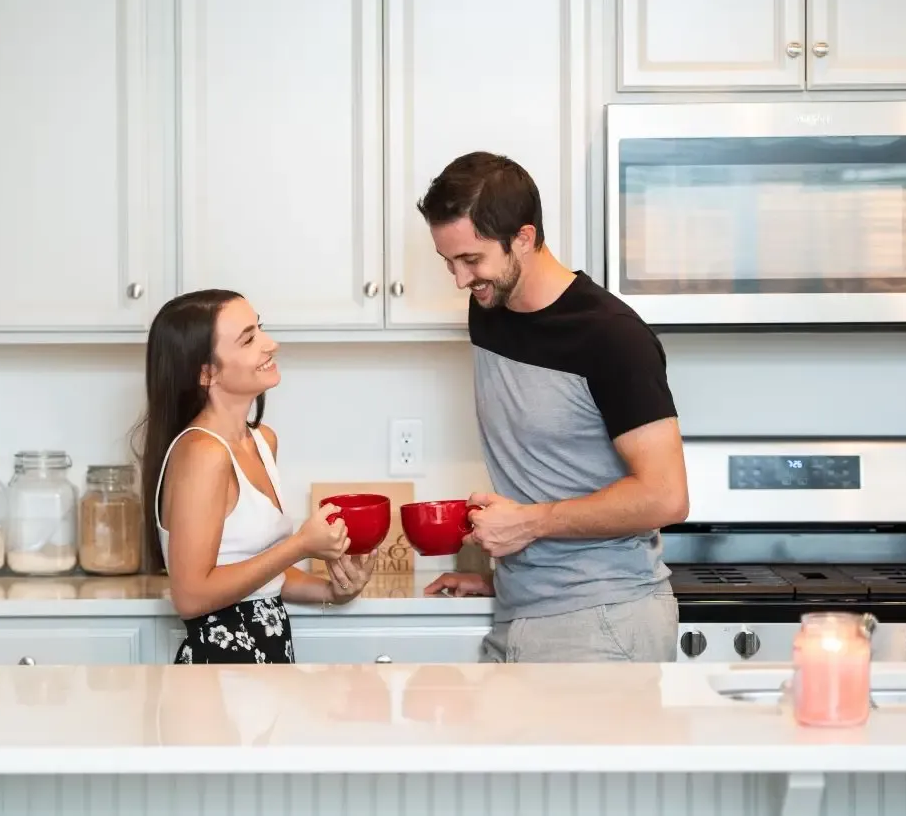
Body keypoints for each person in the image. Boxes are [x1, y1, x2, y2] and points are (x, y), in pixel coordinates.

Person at [417, 152, 689, 663]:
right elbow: (551, 473)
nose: (459, 280)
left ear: (523, 238)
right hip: (524, 608)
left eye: (471, 259)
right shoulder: (490, 309)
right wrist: (499, 579)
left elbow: (666, 496)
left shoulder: (611, 337)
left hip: (605, 621)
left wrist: (530, 523)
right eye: (447, 262)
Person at [135, 289, 377, 664]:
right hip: (217, 671)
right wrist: (299, 545)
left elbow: (260, 575)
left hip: (267, 662)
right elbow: (191, 596)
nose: (270, 344)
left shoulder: (262, 441)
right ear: (206, 372)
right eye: (249, 339)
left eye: (260, 329)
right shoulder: (203, 453)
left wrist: (334, 590)